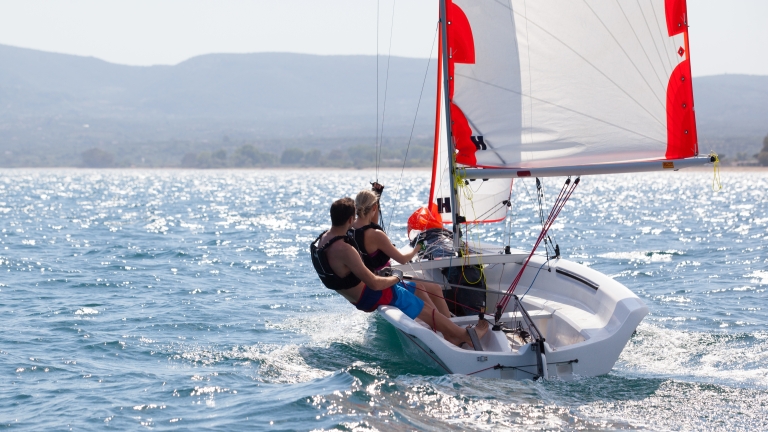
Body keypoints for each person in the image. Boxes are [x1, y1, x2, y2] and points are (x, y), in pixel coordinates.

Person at [310, 197, 488, 349]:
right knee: (422, 307)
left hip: (360, 295)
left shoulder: (324, 239)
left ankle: (449, 333)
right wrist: (396, 277)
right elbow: (374, 283)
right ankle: (465, 336)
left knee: (418, 288)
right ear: (350, 219)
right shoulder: (345, 250)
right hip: (369, 294)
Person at [350, 189, 452, 318]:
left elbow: (370, 223)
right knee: (429, 289)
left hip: (369, 281)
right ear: (374, 208)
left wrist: (376, 198)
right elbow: (403, 259)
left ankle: (445, 321)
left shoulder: (351, 229)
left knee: (434, 289)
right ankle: (445, 323)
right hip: (385, 280)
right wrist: (418, 247)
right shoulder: (376, 235)